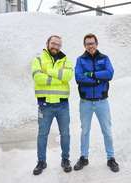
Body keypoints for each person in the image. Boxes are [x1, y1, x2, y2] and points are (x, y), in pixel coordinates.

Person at [74, 33, 119, 173]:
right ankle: (84, 157)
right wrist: (100, 79)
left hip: (101, 102)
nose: (90, 46)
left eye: (92, 43)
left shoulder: (104, 58)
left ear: (96, 44)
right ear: (84, 46)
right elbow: (79, 77)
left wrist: (92, 75)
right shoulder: (80, 60)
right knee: (85, 131)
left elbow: (110, 74)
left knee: (107, 131)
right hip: (85, 102)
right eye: (87, 43)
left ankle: (111, 158)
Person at [31, 35, 73, 175]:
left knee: (65, 134)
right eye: (53, 43)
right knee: (42, 134)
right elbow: (37, 77)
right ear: (47, 43)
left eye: (58, 44)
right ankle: (41, 162)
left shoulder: (65, 60)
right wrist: (58, 77)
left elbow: (67, 77)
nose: (55, 46)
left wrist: (48, 72)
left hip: (62, 105)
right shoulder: (38, 59)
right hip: (45, 105)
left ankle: (65, 160)